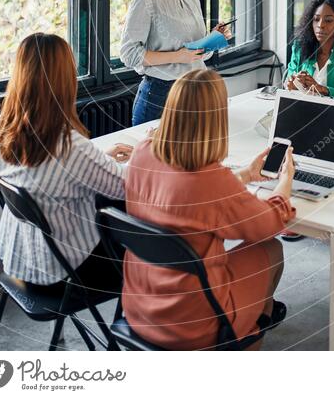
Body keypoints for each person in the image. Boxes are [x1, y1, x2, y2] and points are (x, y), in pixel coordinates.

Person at [123, 69, 296, 350]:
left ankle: (247, 325)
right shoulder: (212, 181)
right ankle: (247, 336)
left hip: (140, 307)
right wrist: (286, 180)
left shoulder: (142, 152)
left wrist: (245, 174)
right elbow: (269, 223)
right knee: (272, 249)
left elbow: (182, 202)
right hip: (193, 322)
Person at [0, 33, 133, 290]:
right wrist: (152, 153)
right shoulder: (69, 147)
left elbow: (42, 172)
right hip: (64, 270)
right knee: (147, 249)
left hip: (20, 258)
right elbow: (128, 188)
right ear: (65, 80)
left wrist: (100, 159)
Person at [120, 0, 231, 125]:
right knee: (157, 156)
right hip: (161, 94)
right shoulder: (146, 0)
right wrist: (177, 56)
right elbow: (129, 55)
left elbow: (197, 54)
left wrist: (213, 38)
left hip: (195, 92)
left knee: (193, 157)